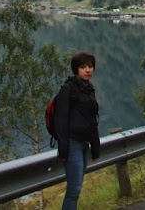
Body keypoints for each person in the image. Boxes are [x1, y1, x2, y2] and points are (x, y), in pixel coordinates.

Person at [56, 52, 101, 210]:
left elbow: (92, 120)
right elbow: (60, 119)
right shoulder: (68, 89)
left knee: (77, 187)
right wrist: (63, 148)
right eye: (83, 67)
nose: (87, 70)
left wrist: (95, 146)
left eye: (90, 66)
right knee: (73, 189)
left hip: (85, 144)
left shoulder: (89, 90)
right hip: (73, 144)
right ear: (76, 69)